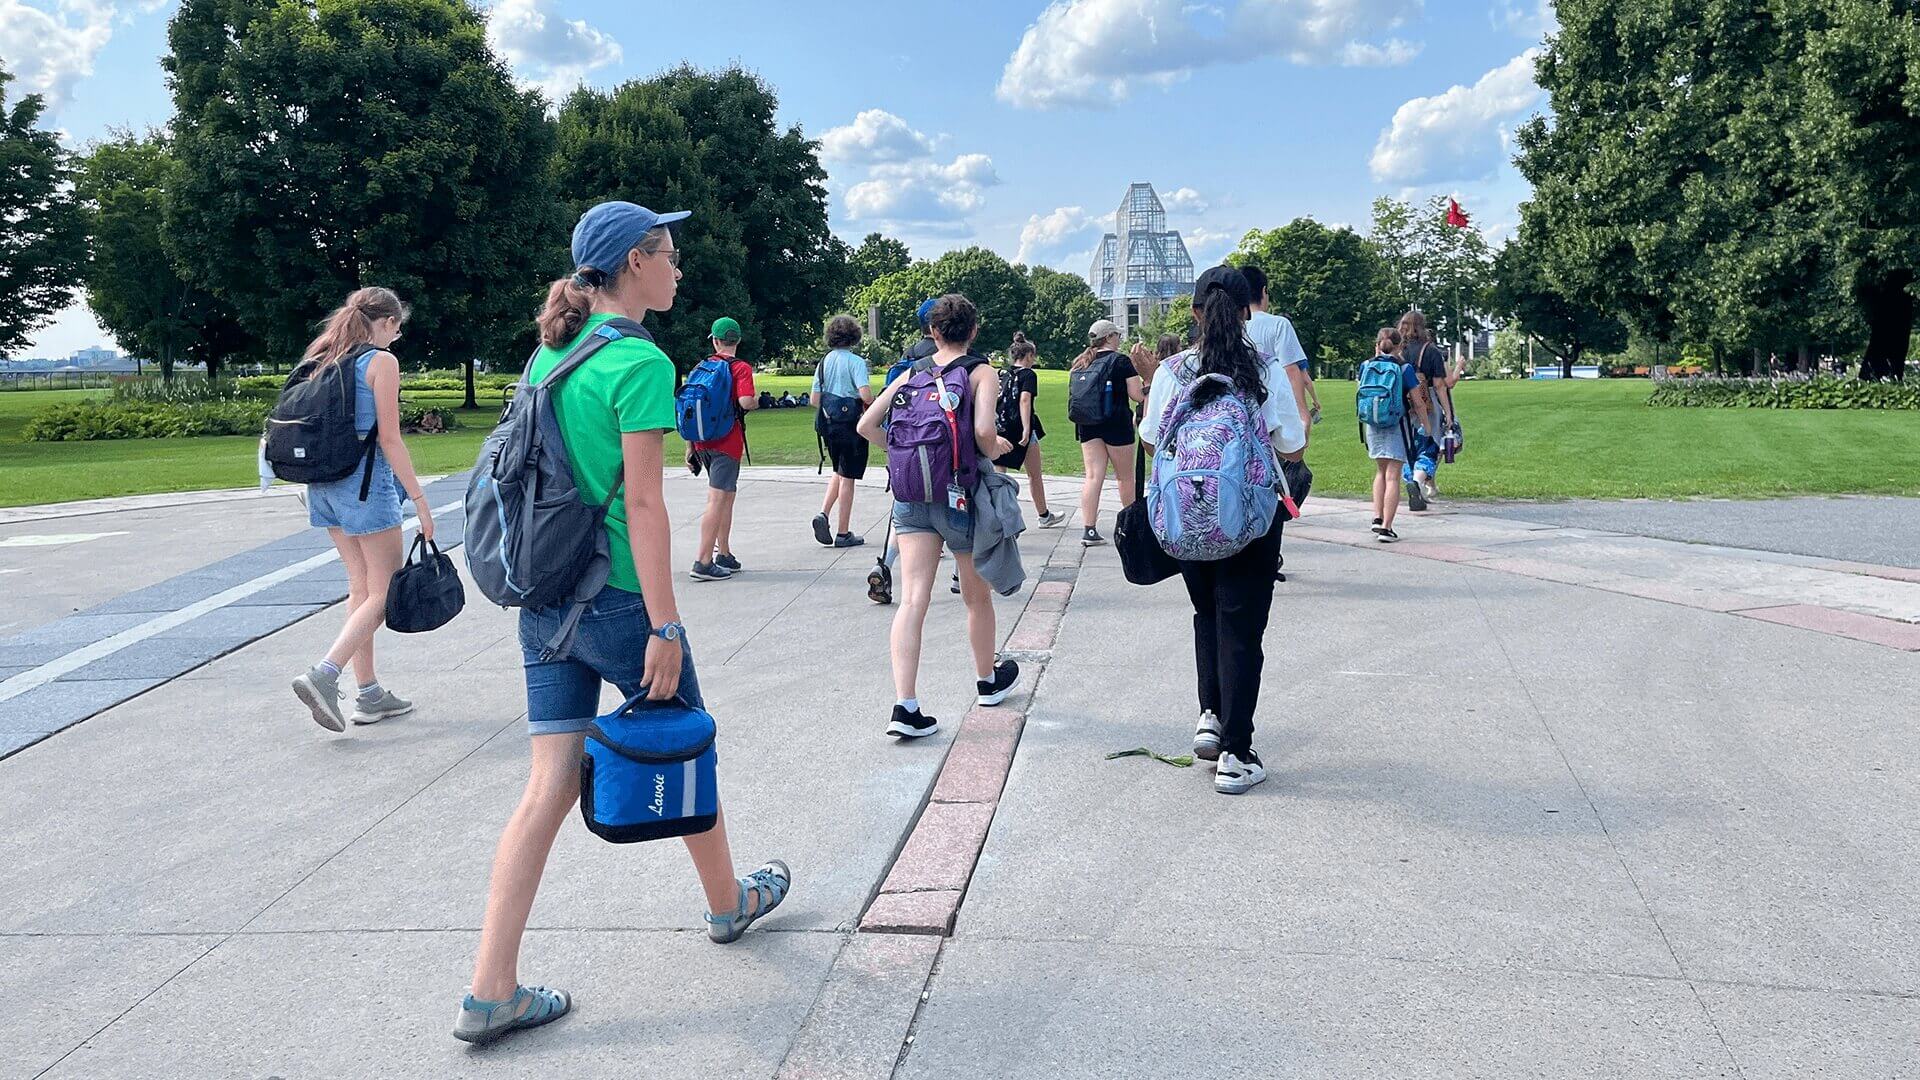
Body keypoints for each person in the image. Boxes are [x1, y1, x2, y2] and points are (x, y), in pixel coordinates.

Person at [457, 202, 789, 1045]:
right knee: (686, 742)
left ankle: (491, 989)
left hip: (544, 594)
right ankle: (728, 904)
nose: (678, 268)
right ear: (635, 262)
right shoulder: (638, 359)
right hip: (618, 601)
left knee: (547, 785)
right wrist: (665, 627)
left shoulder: (552, 351)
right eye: (668, 254)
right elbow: (643, 504)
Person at [1136, 267, 1307, 796]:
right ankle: (1236, 752)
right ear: (1246, 313)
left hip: (1188, 515)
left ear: (1194, 312)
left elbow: (1151, 440)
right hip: (1249, 519)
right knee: (1242, 626)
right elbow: (1292, 446)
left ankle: (1210, 715)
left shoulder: (1173, 371)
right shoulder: (1263, 369)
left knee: (1206, 612)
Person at [855, 294, 1021, 739]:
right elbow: (983, 431)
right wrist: (996, 447)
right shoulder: (982, 372)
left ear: (932, 332)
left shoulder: (913, 372)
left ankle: (905, 705)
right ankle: (986, 681)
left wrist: (903, 455)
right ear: (974, 330)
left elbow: (866, 426)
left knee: (913, 600)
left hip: (911, 497)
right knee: (975, 597)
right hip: (959, 494)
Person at [288, 287, 431, 734]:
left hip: (323, 485)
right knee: (384, 594)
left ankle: (368, 692)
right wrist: (421, 501)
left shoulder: (323, 356)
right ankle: (325, 674)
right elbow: (390, 439)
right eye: (397, 328)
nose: (397, 336)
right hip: (366, 488)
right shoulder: (381, 362)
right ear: (386, 322)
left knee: (361, 587)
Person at [687, 316, 758, 581]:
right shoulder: (740, 368)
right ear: (737, 340)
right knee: (717, 499)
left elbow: (690, 407)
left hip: (701, 441)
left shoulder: (702, 366)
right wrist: (756, 402)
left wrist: (689, 447)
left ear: (715, 341)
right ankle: (703, 560)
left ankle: (724, 553)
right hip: (727, 442)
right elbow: (746, 401)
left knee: (726, 496)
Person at [1071, 318, 1144, 546]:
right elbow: (1137, 395)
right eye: (1117, 335)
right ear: (1110, 337)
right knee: (1125, 477)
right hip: (1116, 422)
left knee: (1093, 477)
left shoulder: (1080, 362)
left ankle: (1089, 529)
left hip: (1087, 424)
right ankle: (1131, 528)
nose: (1119, 339)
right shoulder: (1120, 361)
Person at [811, 315, 874, 548]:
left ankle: (823, 513)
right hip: (851, 425)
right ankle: (843, 532)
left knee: (839, 470)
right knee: (848, 477)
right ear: (853, 336)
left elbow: (814, 399)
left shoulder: (824, 362)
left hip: (829, 426)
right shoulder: (856, 362)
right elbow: (865, 394)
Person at [1000, 332, 1065, 527]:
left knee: (999, 474)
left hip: (1001, 427)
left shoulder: (1002, 373)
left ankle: (998, 514)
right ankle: (1043, 514)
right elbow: (1025, 399)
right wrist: (1027, 429)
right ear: (1029, 355)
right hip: (1020, 427)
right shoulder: (1028, 375)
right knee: (1034, 474)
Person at [1359, 327, 1416, 542]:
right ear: (1400, 346)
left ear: (1377, 344)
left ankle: (1377, 517)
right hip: (1396, 423)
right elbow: (1418, 401)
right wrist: (1426, 424)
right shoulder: (1404, 368)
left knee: (1380, 472)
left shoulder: (1366, 366)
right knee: (1393, 475)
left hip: (1373, 423)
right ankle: (1387, 527)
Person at [1397, 311, 1454, 507]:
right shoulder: (1431, 351)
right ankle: (1418, 481)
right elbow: (1439, 385)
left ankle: (1411, 481)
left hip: (1403, 403)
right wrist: (1448, 413)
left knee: (1408, 446)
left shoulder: (1398, 350)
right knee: (1429, 445)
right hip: (1426, 401)